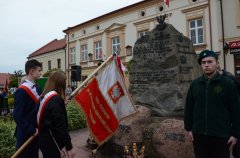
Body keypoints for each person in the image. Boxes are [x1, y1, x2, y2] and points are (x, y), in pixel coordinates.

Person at [184, 50, 240, 158]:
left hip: (221, 136)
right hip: (199, 136)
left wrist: (235, 134)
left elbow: (236, 110)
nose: (206, 65)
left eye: (210, 62)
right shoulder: (195, 84)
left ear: (217, 63)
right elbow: (189, 108)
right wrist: (189, 128)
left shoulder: (228, 84)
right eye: (203, 62)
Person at [37, 71, 75, 158]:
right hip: (53, 141)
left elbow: (47, 115)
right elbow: (61, 126)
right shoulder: (56, 99)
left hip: (43, 139)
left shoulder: (42, 97)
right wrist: (69, 147)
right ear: (60, 84)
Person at [13, 59, 42, 158]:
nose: (40, 73)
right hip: (25, 135)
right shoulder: (21, 91)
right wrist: (31, 130)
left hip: (36, 133)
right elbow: (17, 116)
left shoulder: (37, 88)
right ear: (31, 71)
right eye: (39, 70)